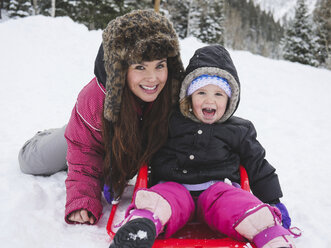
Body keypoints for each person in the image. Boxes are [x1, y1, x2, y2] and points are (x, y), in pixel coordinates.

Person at [110, 45, 298, 248]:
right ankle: (140, 229)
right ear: (189, 97)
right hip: (173, 186)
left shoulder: (239, 130)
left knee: (240, 206)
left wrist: (272, 199)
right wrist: (117, 176)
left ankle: (270, 235)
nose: (210, 100)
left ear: (230, 99)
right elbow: (141, 149)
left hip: (219, 191)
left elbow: (257, 164)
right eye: (201, 93)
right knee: (160, 201)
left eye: (219, 94)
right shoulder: (169, 121)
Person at [18, 9, 184, 225]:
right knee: (32, 162)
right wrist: (83, 200)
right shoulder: (96, 99)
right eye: (140, 67)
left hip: (124, 144)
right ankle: (51, 136)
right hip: (88, 135)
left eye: (160, 65)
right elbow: (84, 152)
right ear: (120, 69)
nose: (152, 78)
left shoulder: (174, 93)